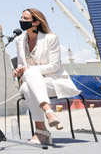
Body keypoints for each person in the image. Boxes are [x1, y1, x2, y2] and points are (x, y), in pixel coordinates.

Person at [12, 8, 80, 146]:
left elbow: (54, 66)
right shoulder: (19, 40)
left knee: (29, 79)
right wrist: (19, 69)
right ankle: (48, 112)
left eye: (25, 19)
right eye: (21, 17)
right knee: (26, 84)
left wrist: (28, 70)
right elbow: (20, 62)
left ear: (36, 22)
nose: (21, 21)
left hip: (53, 81)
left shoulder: (51, 38)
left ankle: (41, 130)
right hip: (34, 85)